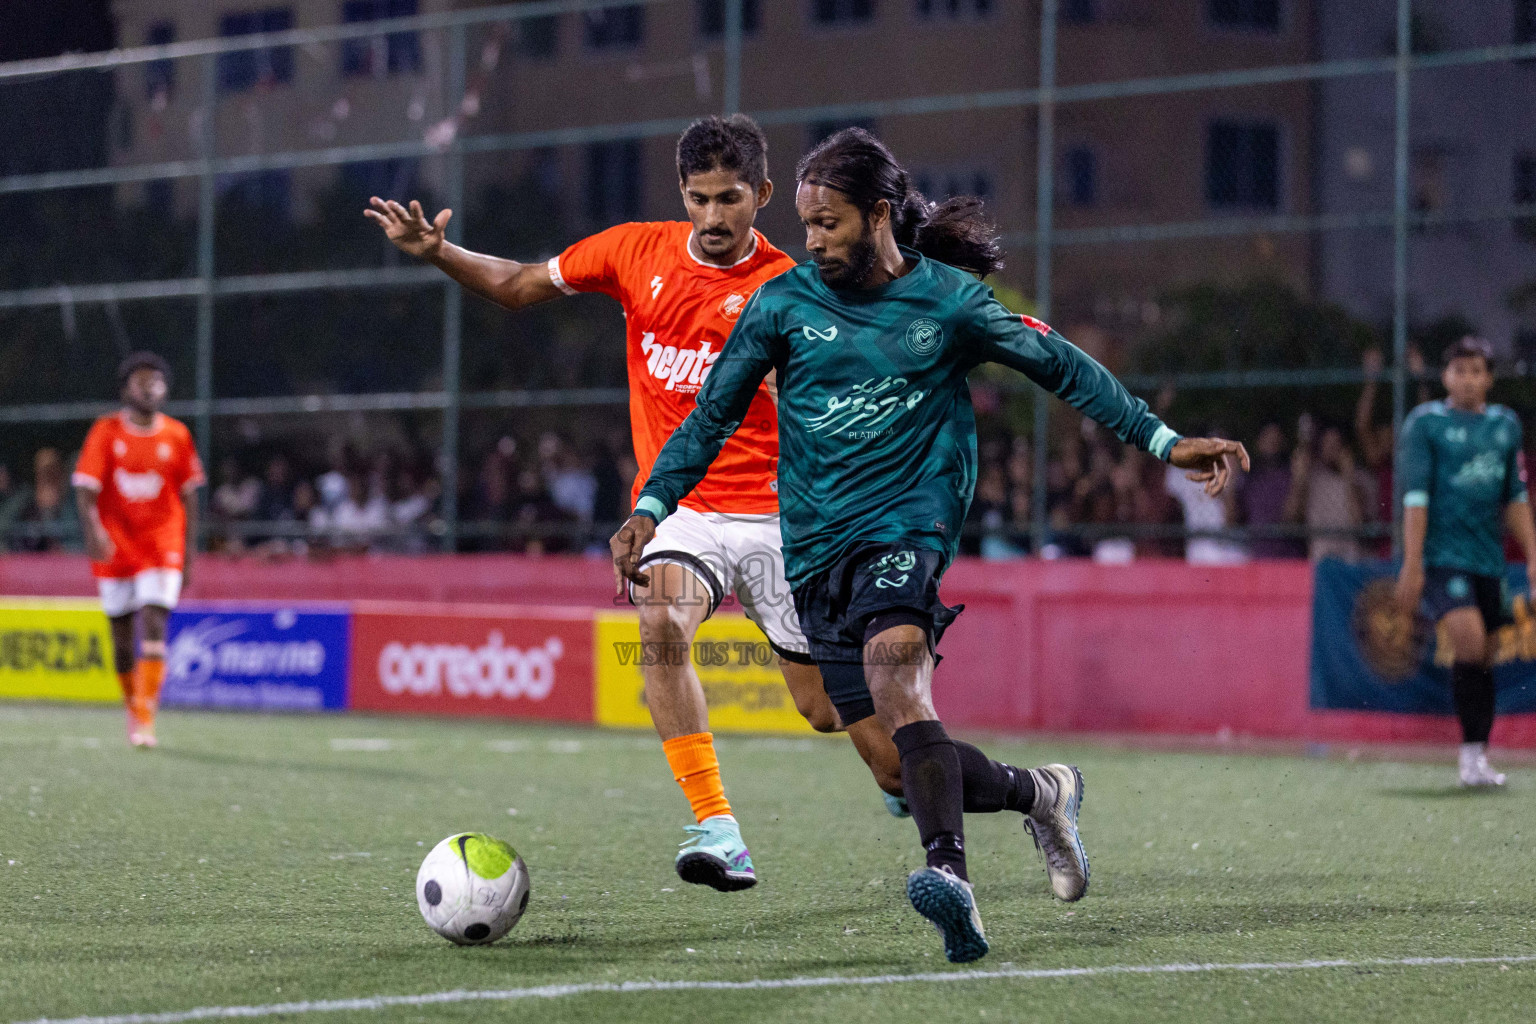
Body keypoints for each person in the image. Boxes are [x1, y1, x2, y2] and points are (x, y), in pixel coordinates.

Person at [613, 128, 1247, 962]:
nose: (813, 241)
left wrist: (1165, 442)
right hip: (814, 551)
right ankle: (1041, 793)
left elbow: (1063, 367)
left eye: (829, 223)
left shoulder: (949, 302)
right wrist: (653, 505)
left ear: (878, 215)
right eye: (806, 225)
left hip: (907, 530)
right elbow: (711, 416)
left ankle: (949, 878)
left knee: (897, 667)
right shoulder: (785, 305)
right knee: (890, 764)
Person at [366, 114, 905, 891]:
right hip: (680, 509)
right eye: (698, 198)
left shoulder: (793, 287)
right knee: (658, 621)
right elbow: (520, 284)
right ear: (680, 194)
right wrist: (440, 251)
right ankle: (718, 829)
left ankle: (906, 761)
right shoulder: (632, 251)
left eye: (729, 199)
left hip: (780, 519)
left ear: (761, 194)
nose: (714, 218)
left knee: (825, 714)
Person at [1395, 336, 1536, 788]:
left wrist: (1533, 557)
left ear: (1489, 377)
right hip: (1442, 557)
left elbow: (1514, 497)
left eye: (1477, 371)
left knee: (1486, 656)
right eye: (1460, 370)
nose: (1469, 379)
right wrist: (1413, 565)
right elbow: (1415, 498)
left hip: (1488, 559)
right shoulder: (1426, 424)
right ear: (1445, 376)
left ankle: (1476, 757)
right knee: (1470, 643)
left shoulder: (1505, 426)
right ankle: (1468, 758)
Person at [71, 352, 205, 748]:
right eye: (141, 381)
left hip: (162, 542)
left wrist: (189, 554)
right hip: (116, 544)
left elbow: (191, 497)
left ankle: (146, 717)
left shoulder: (177, 435)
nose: (150, 388)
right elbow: (84, 489)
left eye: (157, 382)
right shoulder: (106, 431)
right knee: (121, 636)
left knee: (154, 620)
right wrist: (93, 531)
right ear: (126, 389)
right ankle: (133, 705)